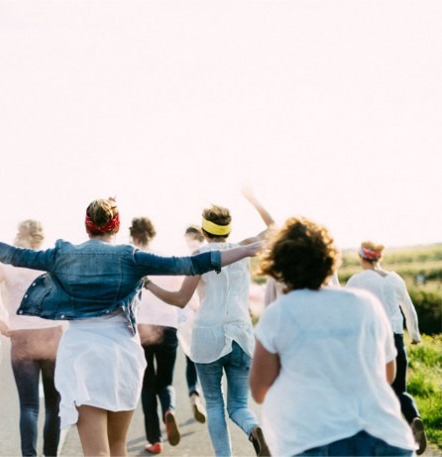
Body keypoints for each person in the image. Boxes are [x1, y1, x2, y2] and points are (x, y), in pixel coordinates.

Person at [0, 196, 261, 457]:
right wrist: (244, 250)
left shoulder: (64, 254)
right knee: (117, 448)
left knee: (97, 452)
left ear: (86, 226)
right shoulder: (131, 256)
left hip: (83, 355)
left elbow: (15, 255)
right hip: (124, 356)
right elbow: (191, 264)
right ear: (114, 227)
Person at [249, 217, 417, 457]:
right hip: (386, 438)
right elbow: (387, 375)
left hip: (314, 441)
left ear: (280, 266)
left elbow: (259, 390)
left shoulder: (279, 313)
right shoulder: (366, 304)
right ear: (329, 259)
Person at [143, 188, 274, 457]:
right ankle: (253, 428)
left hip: (207, 335)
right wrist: (253, 199)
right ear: (228, 229)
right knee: (239, 405)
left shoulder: (199, 257)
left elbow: (181, 299)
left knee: (213, 403)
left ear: (204, 230)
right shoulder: (244, 247)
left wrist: (151, 286)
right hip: (241, 333)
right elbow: (274, 228)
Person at [0, 220, 64, 457]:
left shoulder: (10, 261)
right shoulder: (51, 260)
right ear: (40, 236)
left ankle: (29, 455)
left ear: (20, 235)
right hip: (51, 335)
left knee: (28, 405)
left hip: (21, 337)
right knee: (53, 404)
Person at [346, 241, 426, 454]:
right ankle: (413, 418)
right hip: (396, 337)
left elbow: (346, 308)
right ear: (379, 257)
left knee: (371, 389)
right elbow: (408, 308)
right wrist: (415, 335)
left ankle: (377, 439)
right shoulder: (395, 279)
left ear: (362, 257)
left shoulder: (357, 280)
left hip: (371, 340)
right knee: (399, 390)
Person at [129, 217, 182, 454]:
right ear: (153, 233)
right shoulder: (165, 258)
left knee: (147, 384)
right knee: (166, 381)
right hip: (169, 325)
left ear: (133, 235)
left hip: (141, 328)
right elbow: (180, 293)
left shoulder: (131, 258)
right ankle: (169, 409)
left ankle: (155, 440)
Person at [180, 225, 207, 425]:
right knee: (207, 361)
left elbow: (182, 292)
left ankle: (193, 392)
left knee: (191, 359)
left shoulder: (186, 259)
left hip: (188, 317)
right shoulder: (209, 256)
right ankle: (209, 397)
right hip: (207, 317)